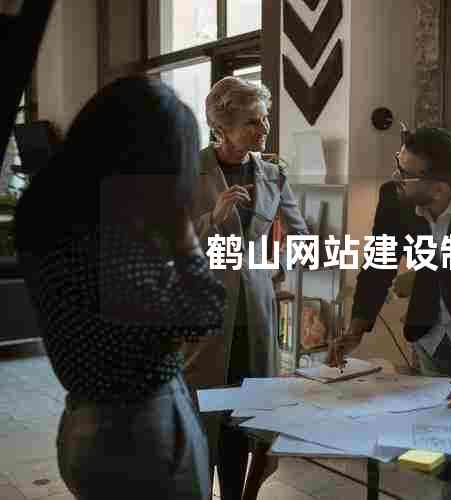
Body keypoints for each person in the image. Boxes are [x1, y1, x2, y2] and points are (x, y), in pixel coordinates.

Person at [13, 76, 225, 499]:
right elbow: (202, 314)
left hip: (84, 420)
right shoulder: (117, 232)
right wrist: (183, 236)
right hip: (140, 433)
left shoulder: (44, 209)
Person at [327, 127, 451, 411]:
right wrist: (355, 331)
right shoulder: (395, 197)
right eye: (398, 163)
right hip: (430, 339)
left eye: (405, 173)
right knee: (429, 429)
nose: (396, 176)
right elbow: (378, 265)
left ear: (439, 188)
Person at [182, 76, 308, 500]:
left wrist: (277, 269)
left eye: (265, 118)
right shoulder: (188, 170)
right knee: (202, 415)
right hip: (204, 314)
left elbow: (300, 234)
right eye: (253, 121)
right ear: (222, 128)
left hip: (255, 313)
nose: (264, 128)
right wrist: (212, 220)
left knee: (246, 415)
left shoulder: (273, 173)